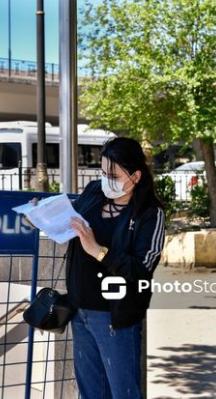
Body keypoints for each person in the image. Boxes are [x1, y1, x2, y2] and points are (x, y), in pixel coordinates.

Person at [67, 137, 165, 399]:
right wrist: (44, 217)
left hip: (115, 317)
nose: (105, 180)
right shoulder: (93, 193)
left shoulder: (149, 213)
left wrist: (98, 251)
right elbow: (71, 222)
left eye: (113, 174)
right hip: (81, 311)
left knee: (123, 392)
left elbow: (140, 270)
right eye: (102, 172)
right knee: (90, 393)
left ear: (135, 176)